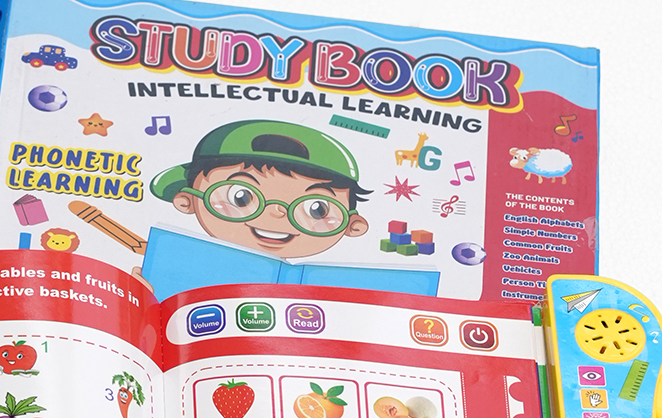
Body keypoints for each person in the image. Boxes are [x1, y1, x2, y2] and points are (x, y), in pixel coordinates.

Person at [137, 119, 438, 301]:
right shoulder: (173, 263)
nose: (277, 214)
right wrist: (140, 299)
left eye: (317, 209)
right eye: (241, 197)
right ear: (186, 201)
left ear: (352, 225)